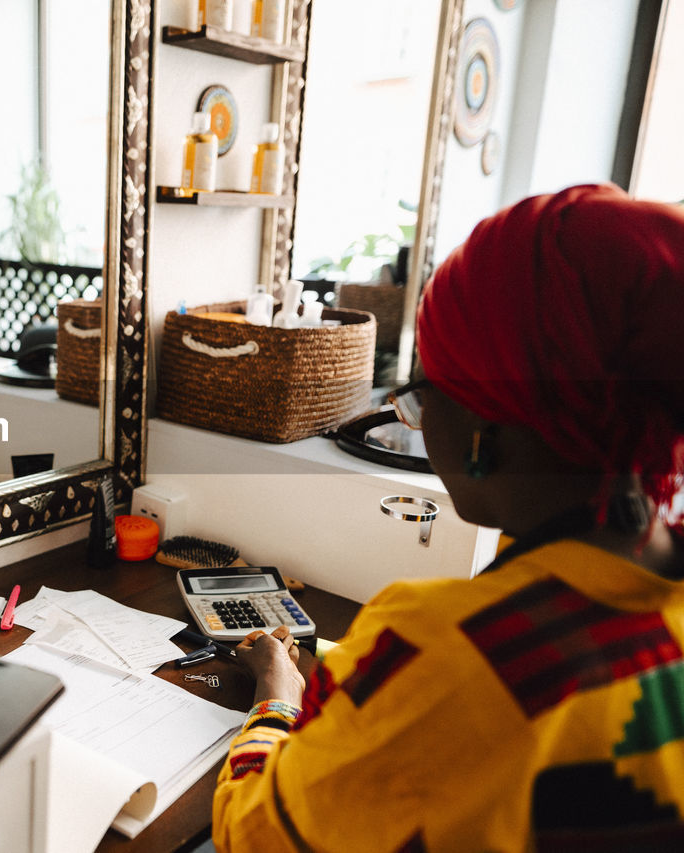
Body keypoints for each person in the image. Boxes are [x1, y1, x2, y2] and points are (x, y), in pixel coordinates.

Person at [213, 184, 684, 851]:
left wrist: (277, 693)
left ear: (484, 425)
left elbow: (252, 833)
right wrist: (334, 659)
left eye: (425, 390)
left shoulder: (444, 653)